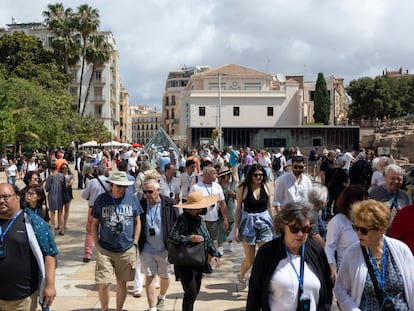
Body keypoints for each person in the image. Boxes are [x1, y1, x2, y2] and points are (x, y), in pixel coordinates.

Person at [246, 201, 333, 310]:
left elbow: (327, 293)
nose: (300, 234)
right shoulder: (267, 253)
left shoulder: (317, 251)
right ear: (283, 227)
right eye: (294, 229)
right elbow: (254, 295)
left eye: (305, 229)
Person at [334, 199, 414, 310]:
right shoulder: (352, 253)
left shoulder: (401, 250)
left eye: (364, 230)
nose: (358, 233)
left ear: (381, 229)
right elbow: (340, 290)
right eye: (355, 228)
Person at [0, 183, 58, 311]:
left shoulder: (34, 222)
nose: (1, 201)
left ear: (17, 198)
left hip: (22, 300)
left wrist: (50, 285)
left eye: (5, 196)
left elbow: (49, 253)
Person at [91, 171, 143, 311]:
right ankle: (104, 309)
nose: (122, 189)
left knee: (122, 283)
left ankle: (119, 309)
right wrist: (96, 244)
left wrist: (135, 242)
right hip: (105, 248)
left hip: (126, 248)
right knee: (104, 283)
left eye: (124, 186)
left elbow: (138, 222)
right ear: (111, 185)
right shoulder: (101, 200)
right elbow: (94, 224)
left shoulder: (132, 198)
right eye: (119, 186)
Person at [169, 192, 221, 311]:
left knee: (195, 291)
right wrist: (189, 238)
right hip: (185, 262)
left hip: (198, 261)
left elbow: (207, 239)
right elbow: (172, 236)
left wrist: (215, 254)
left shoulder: (200, 220)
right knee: (190, 292)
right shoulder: (182, 219)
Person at [138, 178, 179, 311]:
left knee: (165, 277)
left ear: (158, 190)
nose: (147, 195)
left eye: (150, 191)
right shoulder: (142, 203)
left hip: (165, 248)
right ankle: (152, 308)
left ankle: (162, 296)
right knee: (149, 277)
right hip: (147, 248)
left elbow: (177, 224)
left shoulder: (169, 203)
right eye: (145, 192)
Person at [234, 163, 274, 290]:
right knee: (250, 259)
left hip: (264, 222)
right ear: (250, 175)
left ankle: (262, 282)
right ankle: (241, 276)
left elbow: (270, 206)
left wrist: (276, 223)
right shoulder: (243, 187)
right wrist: (236, 228)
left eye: (261, 175)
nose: (259, 177)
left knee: (265, 255)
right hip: (248, 223)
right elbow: (238, 209)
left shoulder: (267, 186)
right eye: (256, 175)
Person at [324, 185, 368, 281]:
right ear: (351, 202)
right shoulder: (338, 221)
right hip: (346, 271)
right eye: (361, 201)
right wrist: (333, 270)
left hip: (365, 270)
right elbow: (329, 248)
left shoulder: (365, 221)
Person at [190, 166, 228, 246]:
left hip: (214, 220)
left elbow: (222, 203)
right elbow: (190, 205)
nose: (216, 175)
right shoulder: (196, 187)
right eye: (214, 173)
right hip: (200, 221)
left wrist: (225, 219)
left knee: (212, 243)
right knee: (201, 243)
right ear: (207, 175)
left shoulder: (217, 186)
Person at [81, 164, 109, 263]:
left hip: (93, 208)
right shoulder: (109, 182)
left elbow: (84, 195)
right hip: (106, 208)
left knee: (89, 232)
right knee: (105, 231)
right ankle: (104, 253)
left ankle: (88, 254)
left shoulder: (92, 182)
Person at [217, 166, 237, 254]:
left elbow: (238, 197)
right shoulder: (218, 186)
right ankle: (220, 246)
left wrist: (233, 194)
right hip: (220, 210)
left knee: (231, 227)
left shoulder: (232, 185)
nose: (229, 177)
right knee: (220, 228)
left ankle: (230, 243)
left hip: (231, 209)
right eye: (227, 175)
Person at [45, 164, 64, 235]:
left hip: (52, 196)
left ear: (50, 169)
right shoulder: (62, 176)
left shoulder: (50, 177)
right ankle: (62, 229)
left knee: (52, 214)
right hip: (60, 196)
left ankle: (52, 230)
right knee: (60, 213)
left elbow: (47, 188)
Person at [59, 164, 74, 233]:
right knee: (60, 210)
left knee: (66, 209)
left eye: (65, 168)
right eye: (63, 168)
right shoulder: (59, 176)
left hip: (68, 193)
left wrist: (64, 185)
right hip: (61, 193)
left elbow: (71, 183)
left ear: (68, 168)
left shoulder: (71, 176)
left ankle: (64, 224)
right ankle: (60, 224)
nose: (64, 169)